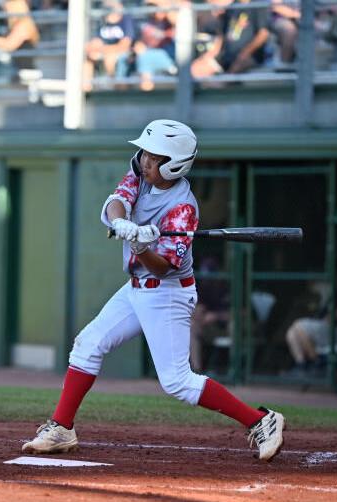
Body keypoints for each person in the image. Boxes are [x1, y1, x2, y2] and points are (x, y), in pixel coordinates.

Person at [21, 119, 286, 462]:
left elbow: (164, 267)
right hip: (135, 288)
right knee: (89, 344)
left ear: (174, 163)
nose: (145, 160)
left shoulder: (183, 209)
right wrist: (124, 225)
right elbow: (117, 200)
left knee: (176, 381)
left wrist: (142, 247)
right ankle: (61, 428)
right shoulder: (141, 173)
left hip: (168, 293)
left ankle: (261, 421)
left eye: (154, 156)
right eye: (145, 152)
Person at [191, 0, 270, 79]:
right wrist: (209, 56)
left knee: (231, 73)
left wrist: (245, 53)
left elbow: (263, 34)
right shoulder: (233, 6)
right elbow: (222, 35)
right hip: (226, 55)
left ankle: (224, 84)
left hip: (250, 56)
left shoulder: (259, 5)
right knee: (194, 70)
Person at [83, 0, 134, 90]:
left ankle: (114, 91)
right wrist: (96, 48)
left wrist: (104, 49)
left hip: (122, 54)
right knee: (89, 57)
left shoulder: (126, 19)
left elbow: (125, 45)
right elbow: (95, 43)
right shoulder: (103, 20)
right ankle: (86, 91)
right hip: (106, 51)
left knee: (110, 58)